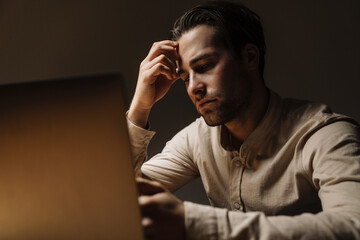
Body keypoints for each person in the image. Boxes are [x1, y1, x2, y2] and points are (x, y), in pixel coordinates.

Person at [127, 1, 360, 239]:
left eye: (205, 66)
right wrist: (139, 108)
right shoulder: (196, 139)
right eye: (186, 77)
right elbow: (122, 199)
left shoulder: (325, 134)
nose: (193, 88)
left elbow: (353, 226)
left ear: (249, 57)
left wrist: (191, 221)